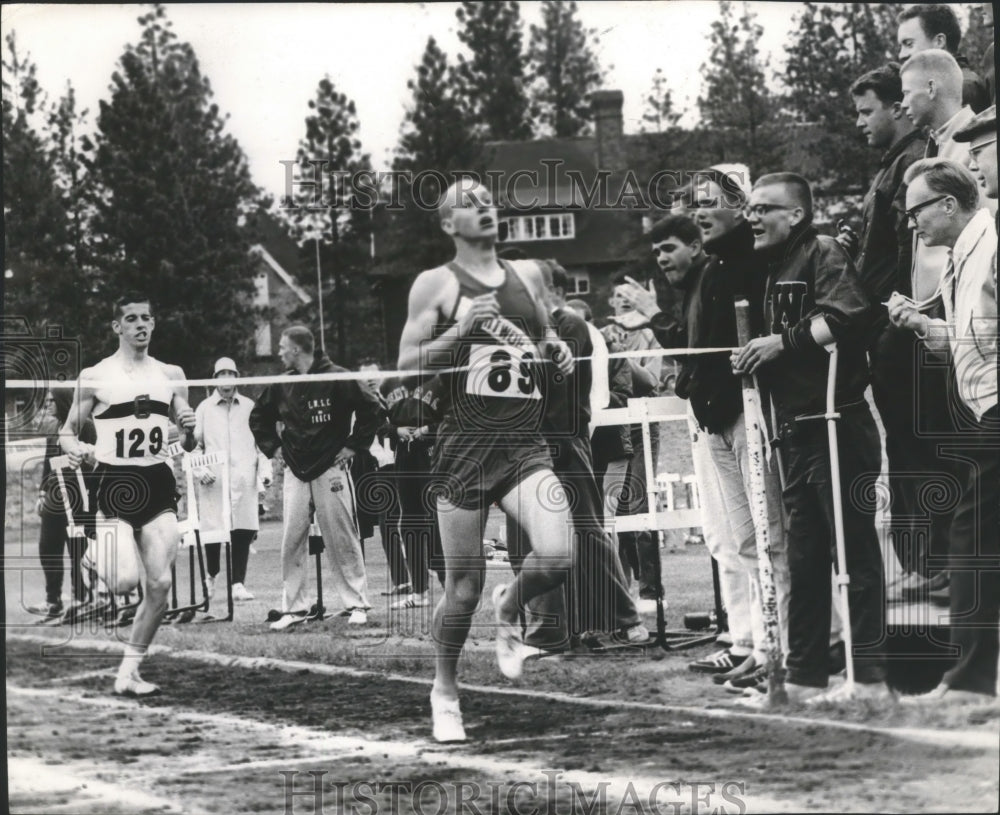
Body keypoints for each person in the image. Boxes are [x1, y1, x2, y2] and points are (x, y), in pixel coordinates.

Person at [396, 180, 574, 743]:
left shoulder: (527, 277)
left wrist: (557, 351)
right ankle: (444, 690)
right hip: (464, 446)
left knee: (560, 553)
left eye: (488, 200)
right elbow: (406, 366)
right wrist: (462, 331)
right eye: (468, 204)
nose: (485, 208)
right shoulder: (438, 284)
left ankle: (511, 602)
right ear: (448, 224)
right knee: (462, 587)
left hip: (524, 443)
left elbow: (541, 341)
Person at [618, 200, 789, 695]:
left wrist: (656, 321)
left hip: (741, 415)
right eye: (655, 251)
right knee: (732, 540)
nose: (662, 259)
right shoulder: (696, 288)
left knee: (761, 538)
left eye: (669, 247)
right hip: (712, 418)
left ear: (697, 246)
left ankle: (771, 647)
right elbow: (694, 356)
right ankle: (752, 644)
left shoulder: (718, 277)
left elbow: (709, 352)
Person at [733, 174, 892, 706]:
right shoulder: (775, 267)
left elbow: (850, 315)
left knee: (853, 554)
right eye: (749, 209)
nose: (751, 217)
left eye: (763, 209)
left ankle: (867, 677)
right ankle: (804, 677)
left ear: (796, 214)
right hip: (795, 431)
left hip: (836, 423)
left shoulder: (820, 251)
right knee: (804, 560)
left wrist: (782, 341)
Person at [888, 157, 998, 703]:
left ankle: (971, 681)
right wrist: (925, 325)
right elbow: (968, 340)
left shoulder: (992, 244)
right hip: (982, 411)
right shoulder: (963, 254)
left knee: (972, 538)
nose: (913, 224)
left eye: (917, 212)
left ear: (949, 204)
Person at [60, 292, 198, 697]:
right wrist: (77, 449)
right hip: (114, 482)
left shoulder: (171, 374)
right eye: (132, 318)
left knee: (159, 587)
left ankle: (128, 672)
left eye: (147, 318)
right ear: (117, 327)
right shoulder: (97, 375)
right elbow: (65, 433)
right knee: (122, 582)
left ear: (154, 324)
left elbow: (189, 443)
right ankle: (91, 554)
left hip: (157, 480)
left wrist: (189, 429)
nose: (141, 325)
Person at [507, 260, 647, 651]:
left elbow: (558, 389)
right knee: (532, 542)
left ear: (545, 286)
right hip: (527, 448)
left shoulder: (568, 325)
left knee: (586, 533)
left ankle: (624, 619)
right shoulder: (523, 327)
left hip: (563, 443)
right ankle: (553, 628)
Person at [849, 64, 942, 600]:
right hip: (885, 325)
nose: (861, 123)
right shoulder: (891, 165)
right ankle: (921, 564)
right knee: (905, 446)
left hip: (896, 328)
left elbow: (908, 254)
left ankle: (927, 566)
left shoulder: (911, 163)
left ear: (895, 107)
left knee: (912, 447)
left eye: (867, 111)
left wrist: (889, 324)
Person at [249, 326, 381, 630]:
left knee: (341, 534)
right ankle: (295, 609)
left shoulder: (337, 376)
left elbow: (372, 409)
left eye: (283, 347)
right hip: (296, 469)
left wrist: (353, 446)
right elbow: (259, 418)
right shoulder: (282, 384)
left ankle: (356, 604)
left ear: (297, 349)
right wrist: (275, 448)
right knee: (291, 538)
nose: (279, 352)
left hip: (331, 467)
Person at [602, 275, 663, 613]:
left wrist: (622, 356)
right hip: (613, 427)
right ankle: (622, 590)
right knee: (615, 510)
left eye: (629, 295)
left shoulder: (650, 336)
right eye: (618, 295)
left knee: (640, 505)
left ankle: (652, 591)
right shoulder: (602, 335)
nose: (624, 300)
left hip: (643, 425)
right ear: (611, 302)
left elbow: (651, 381)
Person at [194, 357, 269, 605]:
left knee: (243, 531)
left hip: (243, 478)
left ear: (237, 377)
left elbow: (261, 445)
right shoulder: (204, 408)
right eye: (221, 374)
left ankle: (238, 583)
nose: (226, 379)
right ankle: (211, 577)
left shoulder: (249, 406)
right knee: (214, 530)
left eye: (231, 374)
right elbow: (195, 448)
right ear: (214, 379)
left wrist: (263, 473)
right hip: (214, 481)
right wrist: (200, 469)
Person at [379, 372, 447, 609]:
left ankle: (451, 588)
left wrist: (428, 429)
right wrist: (395, 431)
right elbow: (375, 419)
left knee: (436, 521)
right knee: (410, 522)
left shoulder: (439, 380)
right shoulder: (389, 383)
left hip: (431, 456)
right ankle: (419, 591)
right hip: (404, 457)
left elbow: (455, 419)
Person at [29, 390, 95, 622]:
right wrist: (42, 493)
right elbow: (49, 464)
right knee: (47, 547)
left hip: (79, 497)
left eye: (51, 401)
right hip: (55, 499)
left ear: (63, 402)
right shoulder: (54, 428)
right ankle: (53, 600)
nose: (47, 405)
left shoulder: (85, 426)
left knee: (78, 549)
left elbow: (94, 461)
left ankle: (81, 598)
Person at [896, 4, 990, 113]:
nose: (901, 55)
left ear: (939, 41)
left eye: (909, 44)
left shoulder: (961, 88)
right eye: (901, 46)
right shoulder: (941, 86)